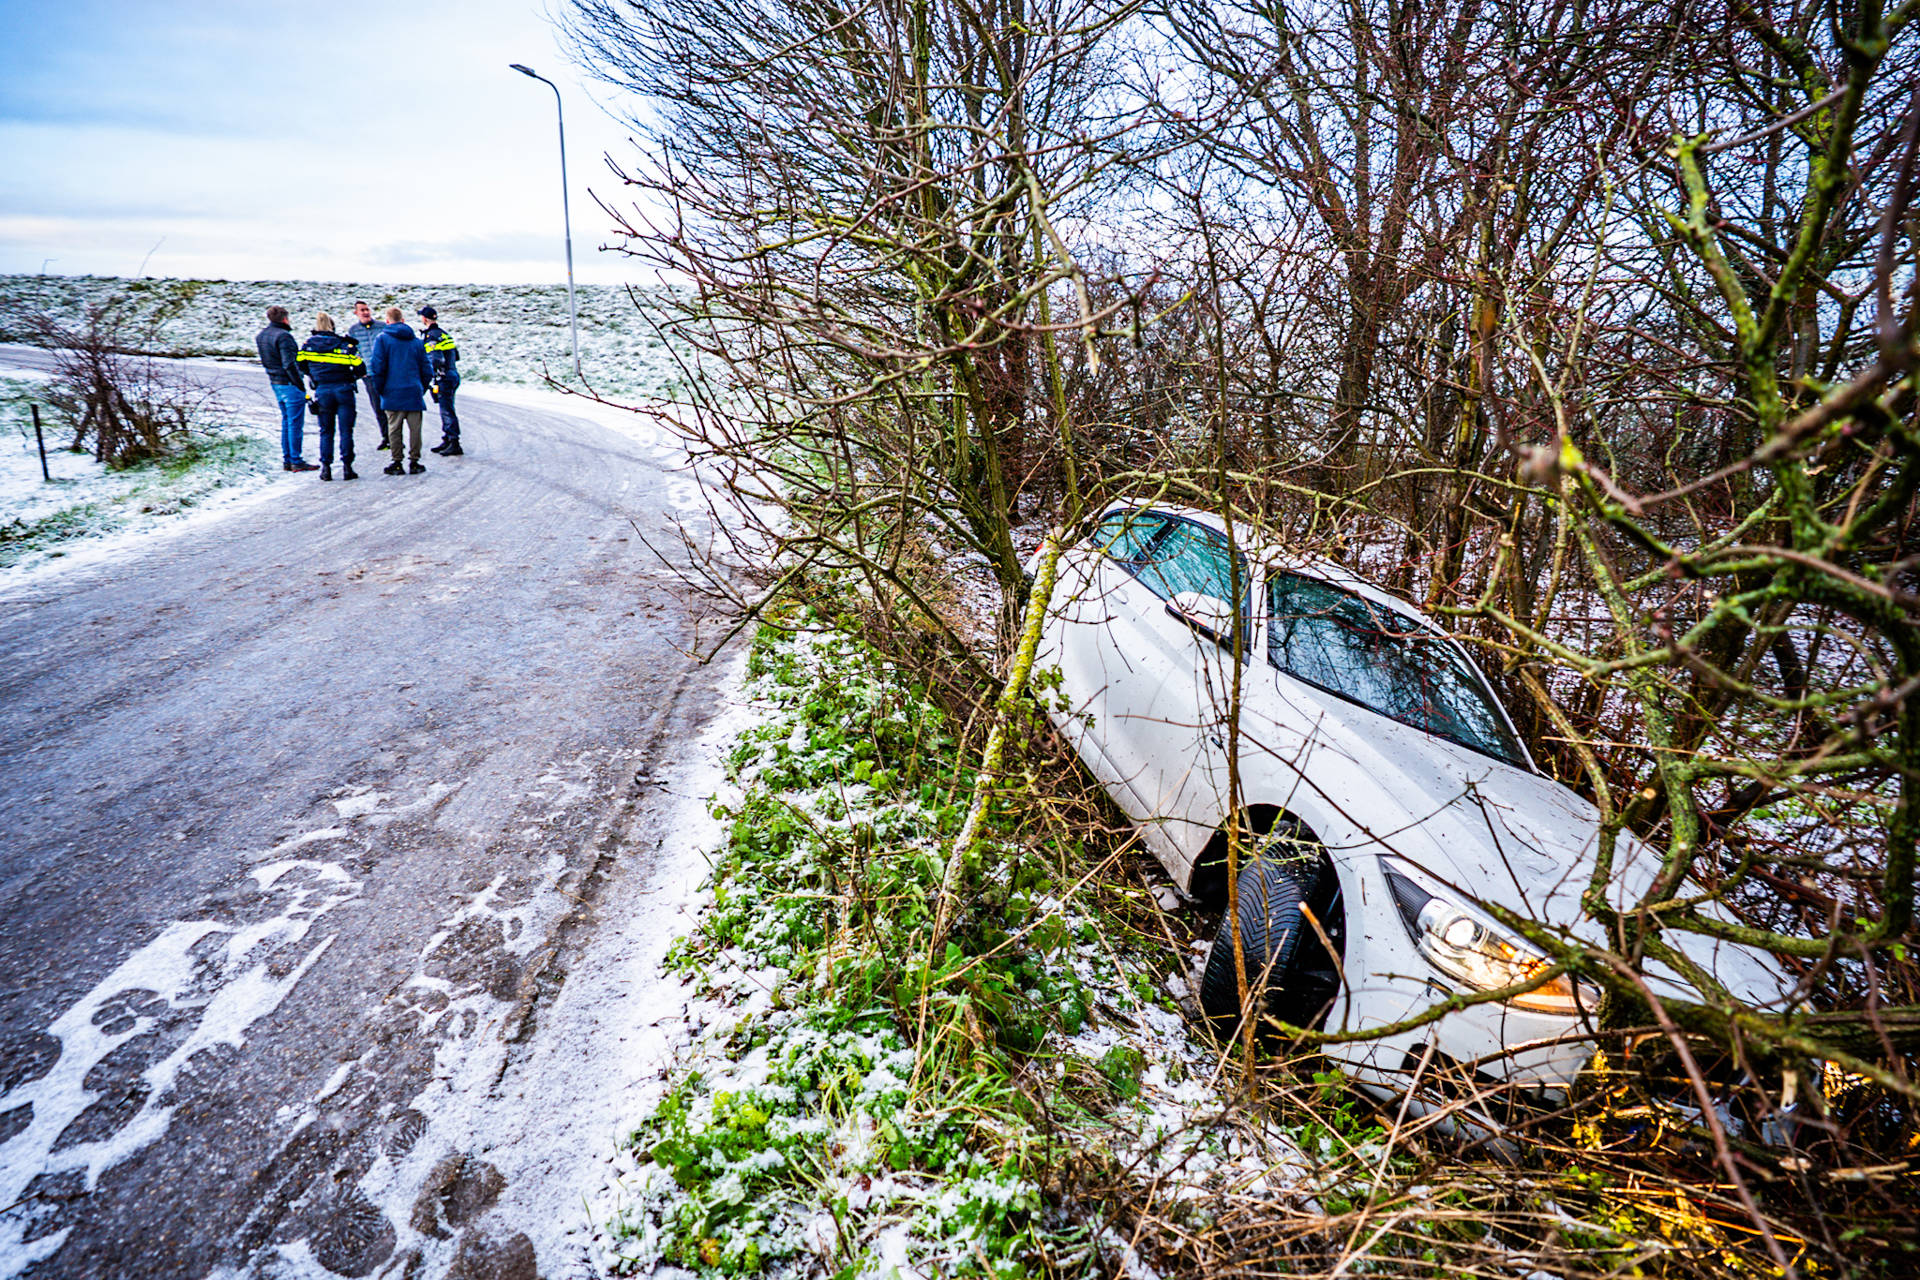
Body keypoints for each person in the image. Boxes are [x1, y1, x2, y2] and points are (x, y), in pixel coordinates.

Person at [297, 312, 364, 481]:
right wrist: (350, 377)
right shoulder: (344, 345)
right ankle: (347, 467)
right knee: (346, 430)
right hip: (343, 389)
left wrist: (315, 375)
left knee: (326, 431)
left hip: (323, 390)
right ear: (332, 327)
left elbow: (300, 366)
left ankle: (326, 468)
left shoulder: (307, 346)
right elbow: (360, 367)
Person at [366, 306, 432, 476]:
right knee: (415, 429)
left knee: (394, 428)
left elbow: (377, 367)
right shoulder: (417, 342)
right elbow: (427, 369)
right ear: (403, 320)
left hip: (391, 390)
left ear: (387, 321)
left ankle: (397, 461)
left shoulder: (382, 340)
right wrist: (421, 387)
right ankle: (414, 461)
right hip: (413, 390)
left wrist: (380, 388)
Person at [255, 305, 316, 471]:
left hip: (275, 382)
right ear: (284, 318)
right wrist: (300, 384)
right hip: (289, 383)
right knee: (295, 423)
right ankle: (296, 459)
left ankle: (288, 459)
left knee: (286, 421)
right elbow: (289, 363)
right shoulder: (284, 337)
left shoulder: (262, 336)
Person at [418, 305, 462, 456]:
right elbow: (456, 355)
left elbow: (435, 359)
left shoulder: (431, 336)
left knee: (446, 410)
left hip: (443, 376)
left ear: (424, 319)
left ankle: (454, 442)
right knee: (447, 408)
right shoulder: (444, 334)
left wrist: (431, 375)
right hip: (452, 373)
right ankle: (448, 439)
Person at [346, 301, 390, 450]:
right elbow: (353, 352)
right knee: (377, 406)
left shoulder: (382, 327)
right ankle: (386, 437)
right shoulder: (353, 331)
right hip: (369, 374)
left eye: (367, 309)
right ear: (356, 313)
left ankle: (396, 436)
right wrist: (359, 370)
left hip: (386, 373)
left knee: (391, 405)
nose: (365, 313)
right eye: (362, 310)